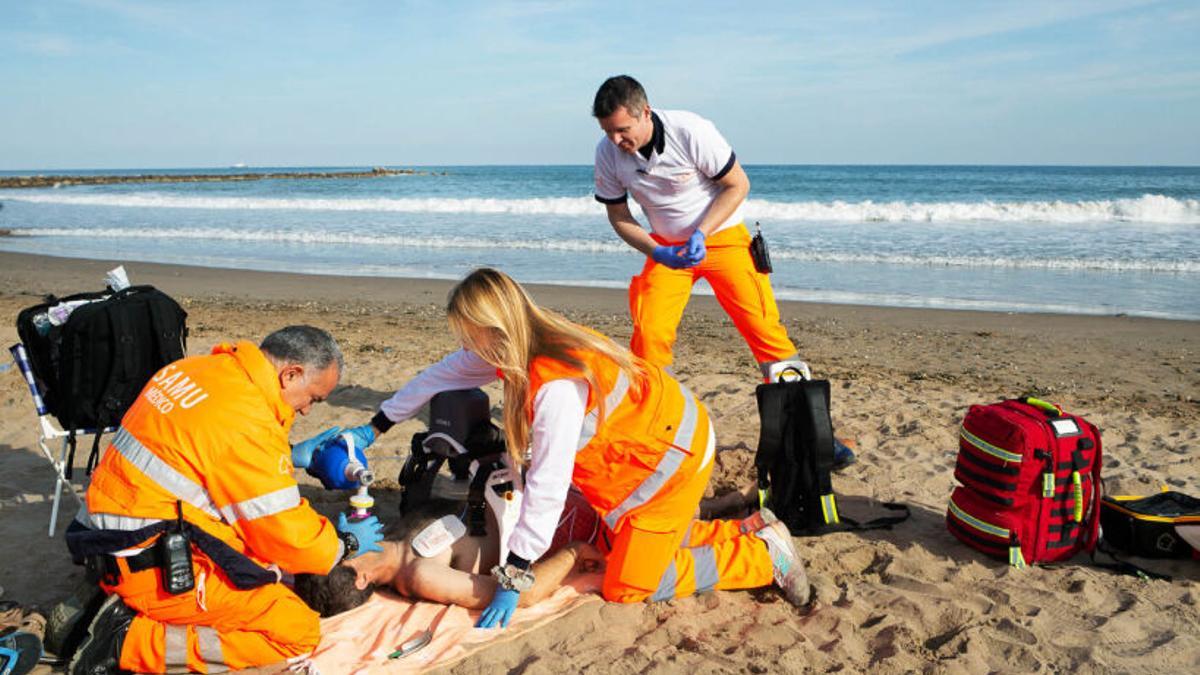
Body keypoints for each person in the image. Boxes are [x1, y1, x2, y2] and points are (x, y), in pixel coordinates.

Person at [316, 268, 809, 630]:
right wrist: (376, 426)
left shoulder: (553, 383)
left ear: (493, 329)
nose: (468, 349)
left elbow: (549, 488)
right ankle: (744, 526)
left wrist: (516, 578)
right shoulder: (528, 338)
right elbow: (442, 374)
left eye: (470, 337)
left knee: (628, 585)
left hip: (668, 461)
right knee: (625, 544)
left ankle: (762, 556)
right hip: (653, 453)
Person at [62, 326, 386, 675]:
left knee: (255, 563)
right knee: (296, 630)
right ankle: (124, 642)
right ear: (290, 375)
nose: (307, 411)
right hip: (148, 563)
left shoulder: (191, 370)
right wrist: (344, 543)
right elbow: (289, 539)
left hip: (103, 533)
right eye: (313, 398)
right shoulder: (248, 419)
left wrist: (290, 456)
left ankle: (102, 605)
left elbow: (205, 453)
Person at [591, 74, 855, 469]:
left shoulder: (691, 130)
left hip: (723, 238)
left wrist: (702, 231)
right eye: (608, 132)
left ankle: (816, 436)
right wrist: (657, 252)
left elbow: (738, 185)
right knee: (648, 338)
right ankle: (651, 434)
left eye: (622, 130)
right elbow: (619, 216)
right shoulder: (608, 153)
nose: (616, 141)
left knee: (766, 332)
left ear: (644, 113)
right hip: (667, 251)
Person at [295, 487, 606, 617]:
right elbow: (522, 593)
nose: (341, 539)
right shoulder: (422, 575)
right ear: (361, 579)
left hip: (541, 489)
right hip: (571, 521)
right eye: (341, 550)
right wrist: (574, 553)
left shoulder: (390, 534)